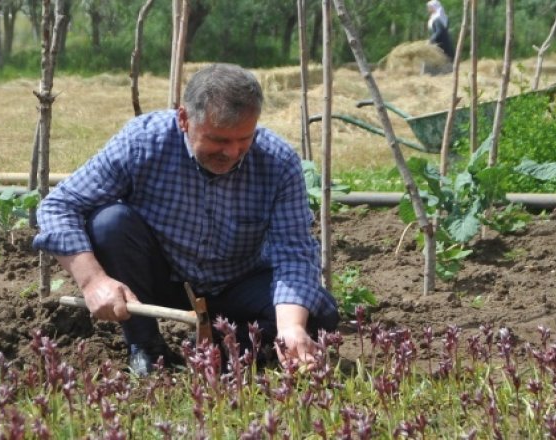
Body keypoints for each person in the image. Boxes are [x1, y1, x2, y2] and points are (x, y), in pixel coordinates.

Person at [33, 63, 339, 375]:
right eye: (219, 140)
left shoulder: (277, 161)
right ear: (183, 119)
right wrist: (93, 280)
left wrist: (291, 328)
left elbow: (294, 252)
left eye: (243, 139)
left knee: (319, 314)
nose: (233, 152)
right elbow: (58, 206)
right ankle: (146, 346)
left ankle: (221, 353)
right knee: (109, 223)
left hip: (238, 281)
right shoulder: (143, 143)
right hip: (164, 280)